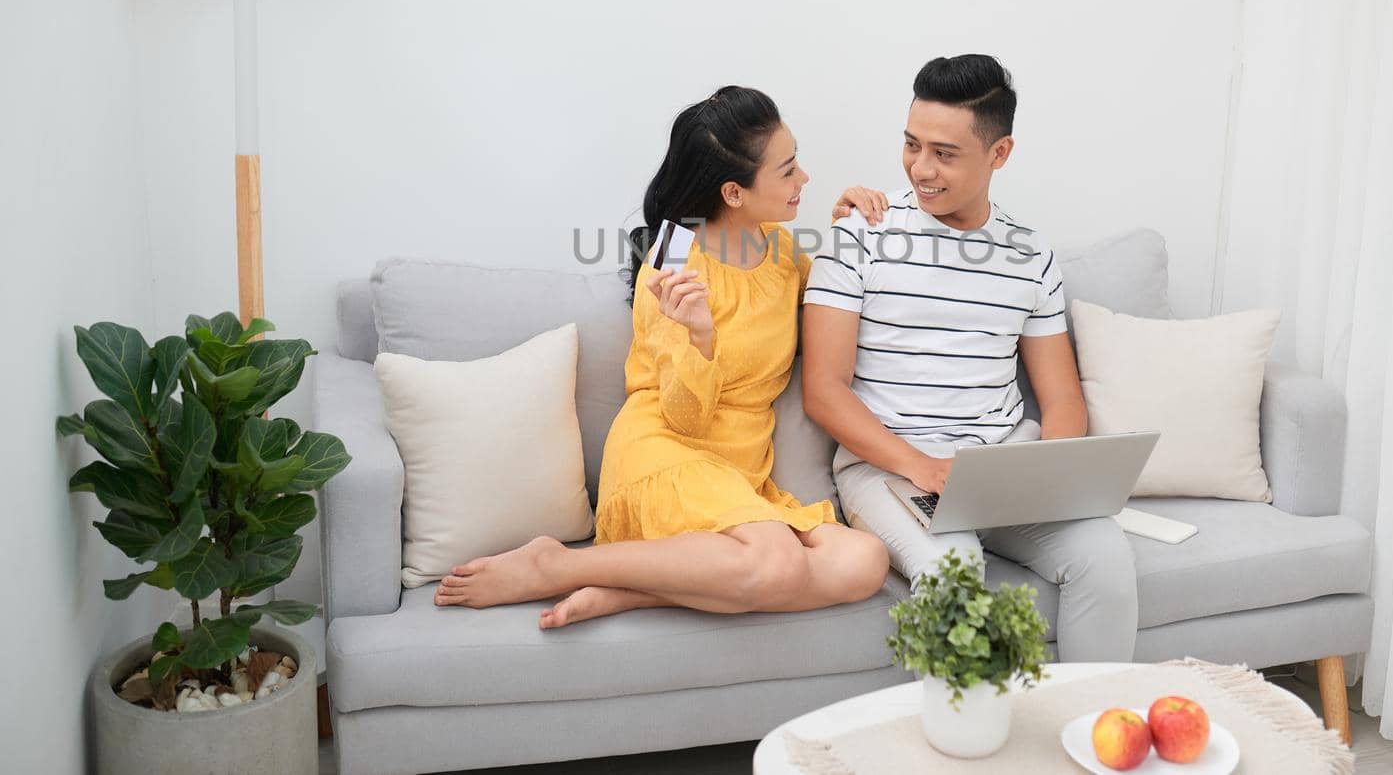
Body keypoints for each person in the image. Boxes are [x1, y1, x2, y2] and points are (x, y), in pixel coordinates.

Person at [435, 86, 891, 628]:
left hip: (737, 476)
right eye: (788, 170)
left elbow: (836, 299)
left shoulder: (782, 250)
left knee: (864, 562)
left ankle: (626, 591)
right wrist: (699, 337)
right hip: (667, 452)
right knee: (778, 563)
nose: (806, 180)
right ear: (734, 192)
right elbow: (684, 417)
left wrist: (850, 232)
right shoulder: (674, 254)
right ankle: (557, 565)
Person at [800, 55, 1139, 661]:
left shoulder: (1030, 253)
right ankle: (967, 750)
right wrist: (921, 466)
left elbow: (1060, 398)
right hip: (891, 472)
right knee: (953, 569)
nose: (920, 168)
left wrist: (1052, 473)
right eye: (911, 145)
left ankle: (1086, 734)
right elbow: (824, 391)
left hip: (1002, 467)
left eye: (944, 154)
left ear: (999, 153)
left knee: (1105, 553)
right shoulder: (859, 233)